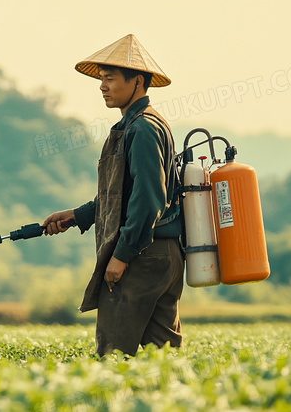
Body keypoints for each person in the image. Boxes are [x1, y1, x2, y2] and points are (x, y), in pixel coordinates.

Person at [42, 34, 184, 356]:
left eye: (110, 79)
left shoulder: (143, 129)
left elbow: (148, 201)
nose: (102, 86)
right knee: (163, 360)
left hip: (143, 256)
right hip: (163, 255)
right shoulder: (138, 125)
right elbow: (122, 194)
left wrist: (121, 255)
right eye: (101, 79)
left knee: (114, 355)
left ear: (137, 82)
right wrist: (78, 215)